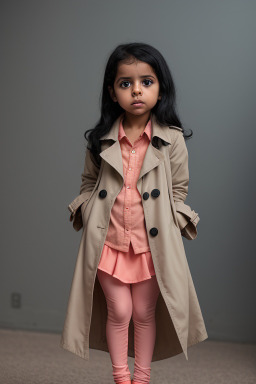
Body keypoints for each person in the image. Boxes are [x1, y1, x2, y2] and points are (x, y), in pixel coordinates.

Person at [60, 42, 208, 384]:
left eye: (147, 81)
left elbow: (180, 188)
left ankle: (141, 378)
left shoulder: (172, 139)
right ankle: (120, 376)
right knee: (119, 311)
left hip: (151, 245)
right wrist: (88, 207)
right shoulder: (100, 140)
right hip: (108, 241)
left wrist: (175, 220)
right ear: (113, 92)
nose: (136, 90)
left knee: (143, 312)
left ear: (160, 89)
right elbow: (88, 182)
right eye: (125, 83)